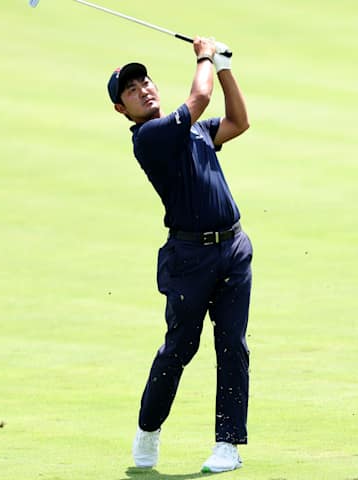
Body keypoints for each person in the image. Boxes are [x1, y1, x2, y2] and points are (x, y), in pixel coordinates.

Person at [106, 37, 252, 474]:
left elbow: (240, 121)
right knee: (180, 348)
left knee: (233, 348)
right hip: (189, 259)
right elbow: (201, 96)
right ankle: (148, 432)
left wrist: (224, 66)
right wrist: (205, 56)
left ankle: (228, 444)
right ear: (122, 110)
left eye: (144, 81)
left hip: (233, 249)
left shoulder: (195, 130)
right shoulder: (150, 137)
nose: (143, 89)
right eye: (131, 91)